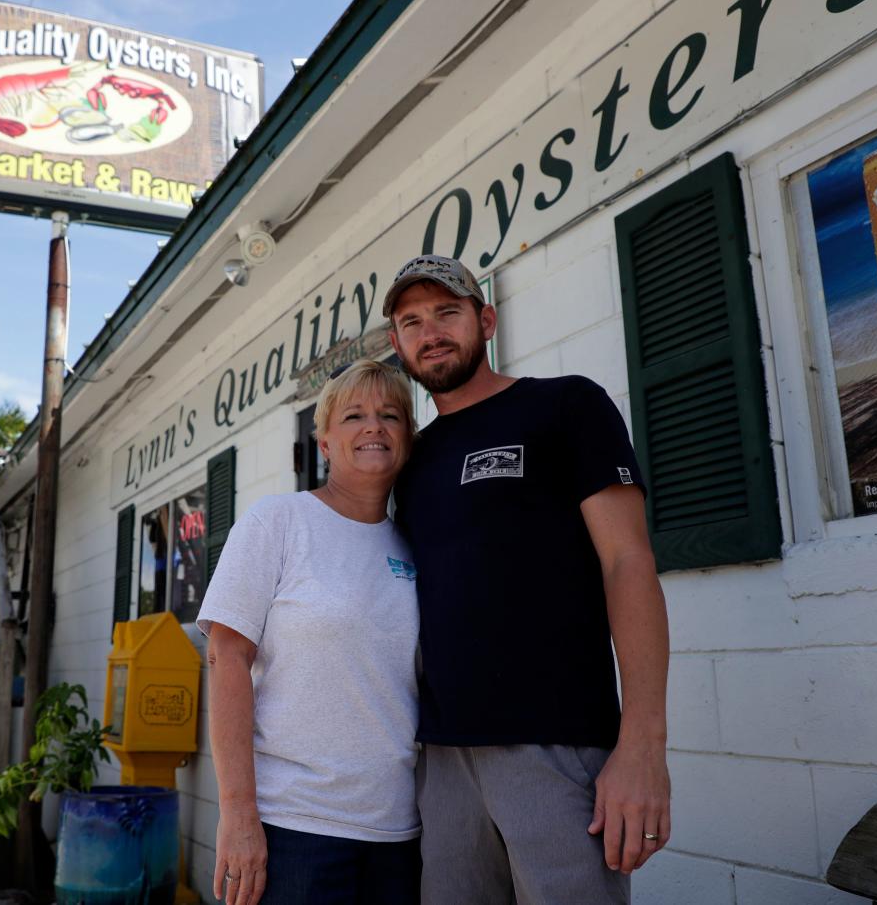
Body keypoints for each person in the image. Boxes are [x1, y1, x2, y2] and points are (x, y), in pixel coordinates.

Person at [385, 254, 671, 905]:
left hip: (554, 743)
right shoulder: (414, 460)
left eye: (447, 313)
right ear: (397, 344)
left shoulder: (565, 406)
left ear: (485, 320)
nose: (431, 332)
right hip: (443, 757)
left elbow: (629, 563)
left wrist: (643, 746)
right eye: (412, 321)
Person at [197, 359, 422, 905]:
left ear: (408, 439)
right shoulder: (278, 520)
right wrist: (238, 812)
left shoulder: (416, 545)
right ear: (324, 443)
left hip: (401, 832)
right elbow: (226, 659)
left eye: (390, 415)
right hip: (295, 828)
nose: (374, 426)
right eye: (354, 416)